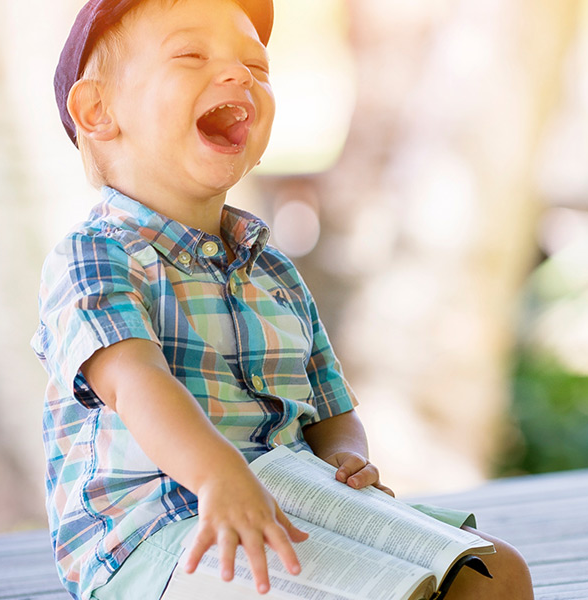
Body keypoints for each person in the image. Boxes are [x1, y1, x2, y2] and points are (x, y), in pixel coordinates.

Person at [31, 1, 534, 598]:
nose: (239, 74)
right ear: (98, 111)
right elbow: (135, 382)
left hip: (297, 502)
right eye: (192, 55)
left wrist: (349, 458)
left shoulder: (271, 269)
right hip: (158, 531)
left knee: (495, 573)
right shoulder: (95, 256)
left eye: (256, 65)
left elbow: (330, 406)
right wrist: (217, 474)